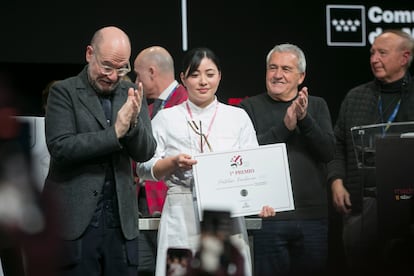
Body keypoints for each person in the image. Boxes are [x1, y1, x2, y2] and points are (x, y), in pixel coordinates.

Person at [137, 47, 275, 276]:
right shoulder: (166, 118)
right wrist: (172, 163)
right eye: (194, 74)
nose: (203, 81)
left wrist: (261, 201)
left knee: (219, 272)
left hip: (222, 216)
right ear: (183, 78)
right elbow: (144, 168)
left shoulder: (236, 118)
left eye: (210, 74)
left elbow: (254, 169)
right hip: (180, 216)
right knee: (177, 272)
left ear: (220, 75)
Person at [42, 26, 157, 276]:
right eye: (107, 67)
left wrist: (133, 124)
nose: (114, 76)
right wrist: (115, 132)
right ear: (89, 54)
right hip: (76, 224)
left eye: (122, 68)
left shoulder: (132, 94)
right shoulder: (64, 92)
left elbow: (146, 151)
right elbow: (60, 147)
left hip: (121, 224)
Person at [239, 43, 335, 275]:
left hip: (312, 218)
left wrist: (304, 119)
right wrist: (285, 127)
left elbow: (328, 152)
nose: (277, 75)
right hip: (268, 216)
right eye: (272, 68)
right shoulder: (248, 108)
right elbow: (248, 156)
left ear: (301, 76)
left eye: (286, 69)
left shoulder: (317, 106)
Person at [327, 29, 414, 274]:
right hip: (361, 204)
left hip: (407, 207)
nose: (374, 58)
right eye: (372, 53)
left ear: (404, 57)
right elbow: (337, 144)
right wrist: (336, 181)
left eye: (382, 53)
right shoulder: (356, 97)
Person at [133, 46, 188, 275]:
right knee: (145, 269)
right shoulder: (148, 107)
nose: (136, 81)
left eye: (138, 75)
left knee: (178, 270)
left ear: (152, 72)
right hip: (145, 207)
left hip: (177, 210)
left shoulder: (185, 103)